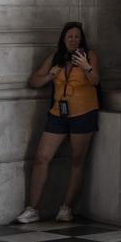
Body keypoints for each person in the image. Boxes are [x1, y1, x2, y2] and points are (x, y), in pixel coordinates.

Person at [14, 22, 99, 224]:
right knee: (42, 158)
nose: (74, 40)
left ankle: (66, 208)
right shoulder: (55, 56)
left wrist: (86, 66)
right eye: (70, 36)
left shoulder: (89, 55)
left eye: (77, 37)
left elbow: (95, 80)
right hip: (58, 114)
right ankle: (33, 208)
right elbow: (33, 81)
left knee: (77, 160)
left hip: (83, 113)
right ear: (63, 39)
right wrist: (50, 75)